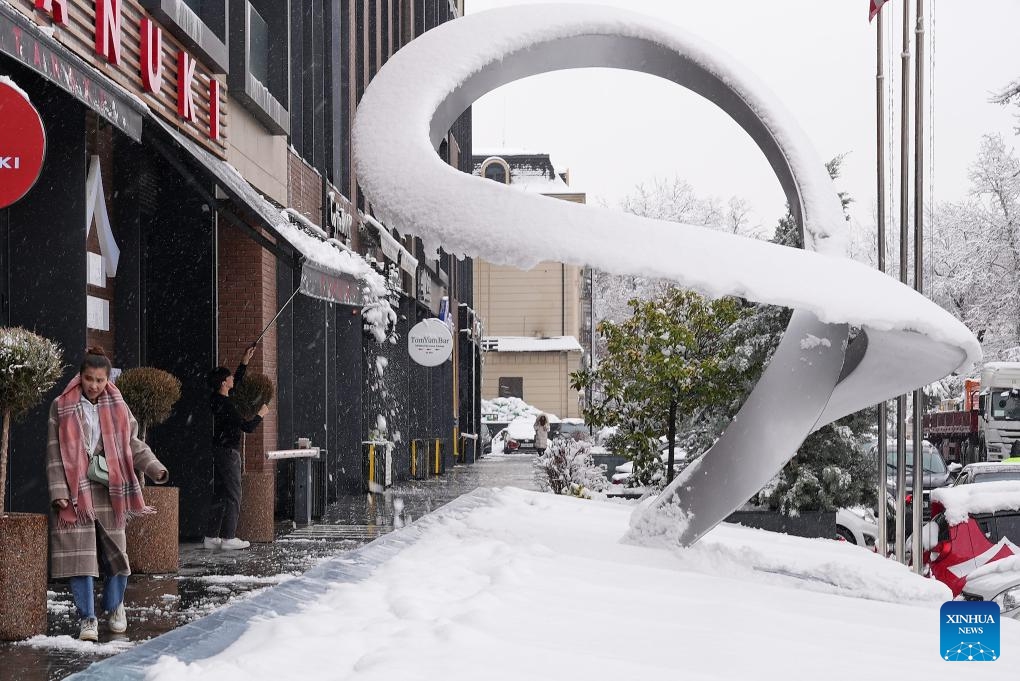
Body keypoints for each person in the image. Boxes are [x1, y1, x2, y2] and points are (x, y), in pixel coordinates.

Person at [47, 347, 169, 642]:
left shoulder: (118, 406)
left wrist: (155, 468)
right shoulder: (61, 405)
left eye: (100, 380)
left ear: (107, 380)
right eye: (89, 378)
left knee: (118, 555)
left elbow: (132, 444)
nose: (94, 385)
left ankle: (115, 606)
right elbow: (53, 450)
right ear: (81, 376)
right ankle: (87, 618)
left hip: (111, 487)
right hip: (76, 489)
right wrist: (59, 491)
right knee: (80, 557)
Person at [204, 346, 269, 551]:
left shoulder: (217, 399)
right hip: (229, 453)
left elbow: (237, 383)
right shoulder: (228, 406)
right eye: (230, 377)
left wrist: (244, 362)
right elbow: (247, 427)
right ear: (224, 383)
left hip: (219, 449)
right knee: (234, 494)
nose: (233, 378)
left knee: (221, 493)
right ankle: (229, 537)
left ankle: (211, 536)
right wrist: (261, 414)